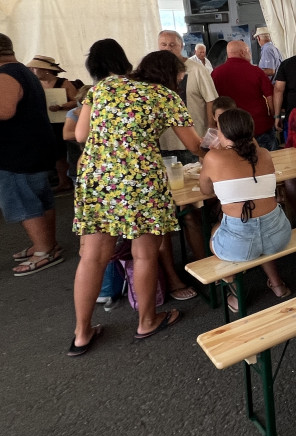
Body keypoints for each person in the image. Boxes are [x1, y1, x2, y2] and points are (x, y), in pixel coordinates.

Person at [71, 50, 203, 355]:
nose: (180, 84)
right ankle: (147, 320)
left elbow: (81, 133)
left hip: (98, 177)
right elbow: (195, 145)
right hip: (142, 180)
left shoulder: (103, 86)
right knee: (144, 254)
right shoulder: (165, 96)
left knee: (92, 256)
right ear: (171, 75)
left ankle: (81, 333)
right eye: (180, 78)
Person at [199, 108, 291, 312]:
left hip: (239, 246)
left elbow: (205, 190)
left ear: (222, 133)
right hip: (279, 236)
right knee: (260, 226)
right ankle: (277, 284)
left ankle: (234, 292)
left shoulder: (214, 157)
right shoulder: (264, 153)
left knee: (215, 232)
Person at [1, 34, 62, 276]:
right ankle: (47, 244)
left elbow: (4, 111)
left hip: (16, 151)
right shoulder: (23, 72)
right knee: (40, 197)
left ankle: (44, 251)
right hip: (33, 146)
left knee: (23, 199)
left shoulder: (5, 75)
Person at [157, 30, 218, 164]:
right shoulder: (154, 72)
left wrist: (210, 129)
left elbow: (211, 99)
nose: (168, 48)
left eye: (173, 45)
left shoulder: (197, 69)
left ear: (182, 46)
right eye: (164, 44)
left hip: (194, 140)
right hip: (164, 142)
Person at [211, 41, 277, 150]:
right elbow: (270, 96)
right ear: (243, 52)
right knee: (270, 160)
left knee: (237, 164)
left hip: (230, 132)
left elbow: (212, 101)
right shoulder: (256, 71)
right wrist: (275, 116)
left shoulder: (216, 74)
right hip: (258, 126)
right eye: (249, 51)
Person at [27, 55, 78, 193]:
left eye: (34, 68)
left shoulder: (64, 83)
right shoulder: (35, 84)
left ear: (46, 70)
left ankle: (69, 180)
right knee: (56, 154)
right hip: (46, 122)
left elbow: (77, 101)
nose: (32, 70)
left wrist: (62, 106)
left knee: (66, 153)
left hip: (62, 122)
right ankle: (63, 181)